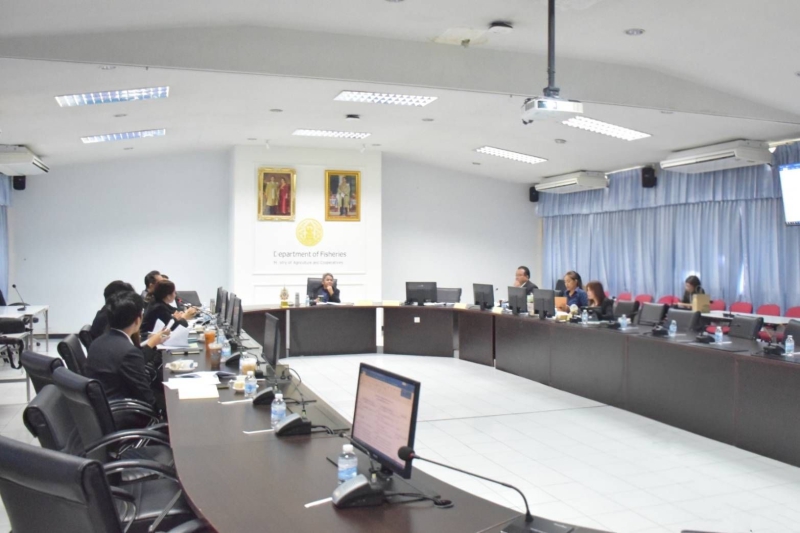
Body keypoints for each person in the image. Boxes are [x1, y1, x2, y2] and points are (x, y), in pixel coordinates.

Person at [85, 292, 170, 406]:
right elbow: (147, 398)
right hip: (124, 408)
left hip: (104, 404)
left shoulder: (97, 342)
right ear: (138, 319)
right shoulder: (129, 352)